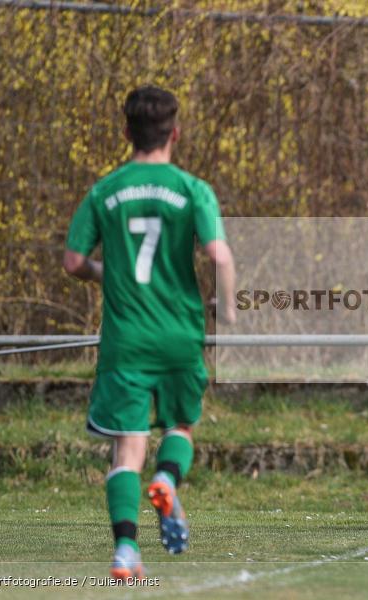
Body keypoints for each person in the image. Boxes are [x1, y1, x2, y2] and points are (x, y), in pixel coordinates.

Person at [63, 85, 237, 579]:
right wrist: (227, 307)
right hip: (180, 334)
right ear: (175, 133)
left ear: (126, 133)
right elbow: (220, 255)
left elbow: (73, 261)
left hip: (126, 339)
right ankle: (167, 478)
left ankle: (124, 552)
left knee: (127, 445)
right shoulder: (191, 189)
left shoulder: (105, 190)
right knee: (179, 427)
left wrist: (104, 274)